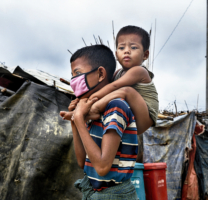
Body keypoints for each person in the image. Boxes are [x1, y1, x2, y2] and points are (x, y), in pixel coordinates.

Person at [68, 45, 139, 199]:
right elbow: (82, 162)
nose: (73, 81)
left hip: (114, 195)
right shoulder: (93, 111)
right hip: (93, 191)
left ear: (100, 74)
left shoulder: (116, 107)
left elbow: (102, 167)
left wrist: (80, 119)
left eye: (78, 73)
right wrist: (75, 120)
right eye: (72, 75)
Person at [61, 25, 159, 135]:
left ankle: (91, 112)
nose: (127, 51)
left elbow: (113, 87)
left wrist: (90, 100)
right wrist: (80, 101)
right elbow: (105, 88)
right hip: (127, 117)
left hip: (145, 118)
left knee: (127, 91)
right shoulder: (117, 73)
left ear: (145, 55)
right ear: (116, 54)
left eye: (133, 47)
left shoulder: (139, 71)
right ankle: (81, 113)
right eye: (122, 48)